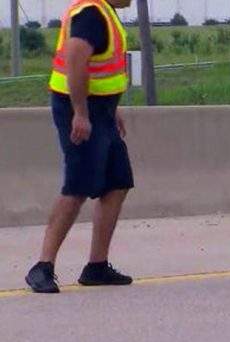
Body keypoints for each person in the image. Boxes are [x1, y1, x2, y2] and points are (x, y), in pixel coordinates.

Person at [25, 0, 134, 293]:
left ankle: (96, 266)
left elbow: (101, 70)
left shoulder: (104, 13)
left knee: (118, 182)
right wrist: (81, 113)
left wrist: (111, 108)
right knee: (78, 186)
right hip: (81, 110)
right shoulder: (91, 14)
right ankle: (42, 266)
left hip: (101, 111)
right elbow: (75, 58)